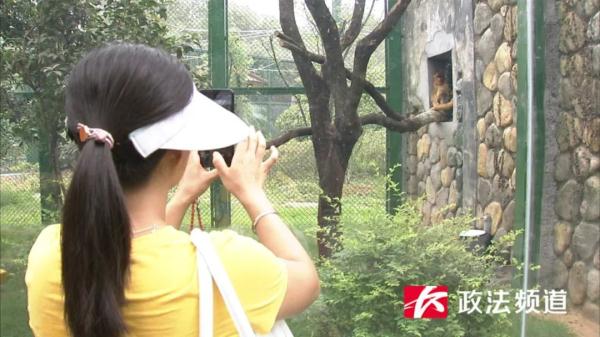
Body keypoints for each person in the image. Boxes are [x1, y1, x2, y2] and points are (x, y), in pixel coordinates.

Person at [25, 43, 320, 337]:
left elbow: (133, 249)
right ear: (175, 154)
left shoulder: (50, 255)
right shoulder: (223, 267)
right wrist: (252, 194)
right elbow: (306, 282)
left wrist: (180, 198)